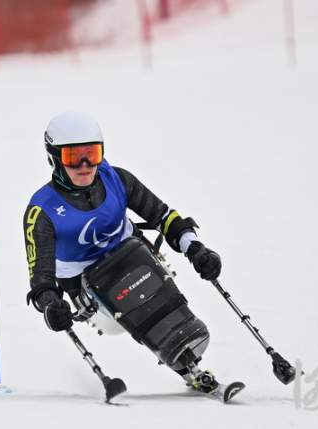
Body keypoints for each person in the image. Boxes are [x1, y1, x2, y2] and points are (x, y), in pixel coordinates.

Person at [23, 112, 235, 397]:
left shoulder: (116, 179)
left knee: (136, 256)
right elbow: (41, 277)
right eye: (74, 157)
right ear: (54, 159)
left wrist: (195, 247)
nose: (86, 166)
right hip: (87, 283)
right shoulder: (42, 210)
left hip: (133, 255)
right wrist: (51, 305)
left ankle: (190, 365)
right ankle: (180, 356)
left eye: (93, 154)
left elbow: (163, 215)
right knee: (123, 277)